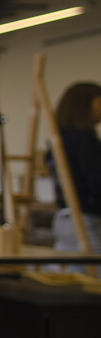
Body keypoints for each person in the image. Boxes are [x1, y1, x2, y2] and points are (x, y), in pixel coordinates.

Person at [50, 81, 101, 256]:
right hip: (84, 219)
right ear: (85, 105)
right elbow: (96, 182)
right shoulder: (85, 139)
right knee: (92, 271)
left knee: (70, 269)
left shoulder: (60, 138)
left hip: (63, 217)